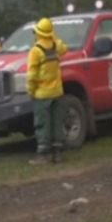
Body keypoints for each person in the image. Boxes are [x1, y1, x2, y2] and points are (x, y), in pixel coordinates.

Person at [27, 18, 69, 165]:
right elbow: (64, 48)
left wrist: (31, 91)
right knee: (57, 123)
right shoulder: (55, 46)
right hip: (57, 92)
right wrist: (54, 35)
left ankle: (44, 155)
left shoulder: (35, 50)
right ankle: (58, 154)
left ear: (38, 33)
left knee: (43, 124)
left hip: (42, 94)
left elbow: (32, 75)